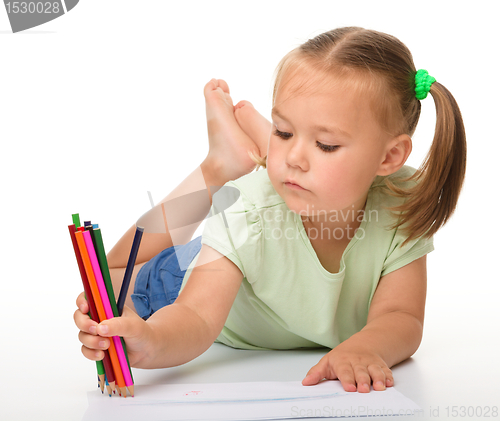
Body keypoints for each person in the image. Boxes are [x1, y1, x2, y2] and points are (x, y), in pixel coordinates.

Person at [73, 27, 466, 393]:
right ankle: (220, 165)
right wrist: (151, 341)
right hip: (195, 273)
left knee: (281, 176)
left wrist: (367, 347)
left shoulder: (402, 200)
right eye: (283, 131)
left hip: (270, 232)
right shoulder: (246, 212)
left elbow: (402, 316)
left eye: (326, 145)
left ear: (390, 156)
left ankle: (261, 150)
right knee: (110, 274)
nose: (295, 157)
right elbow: (196, 316)